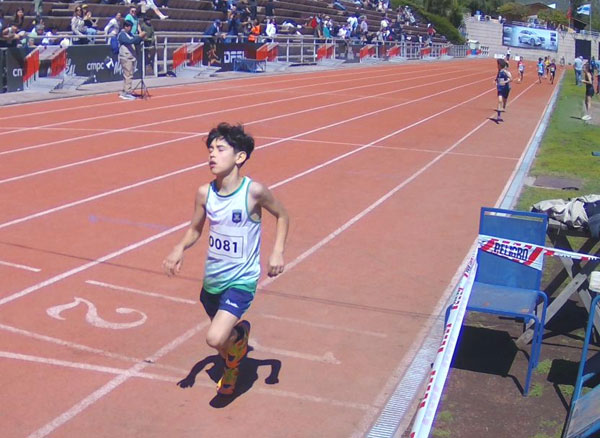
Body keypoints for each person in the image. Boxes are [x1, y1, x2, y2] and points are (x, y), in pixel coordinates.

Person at [163, 122, 289, 396]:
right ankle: (235, 351)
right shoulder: (205, 193)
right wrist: (178, 248)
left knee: (215, 337)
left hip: (241, 281)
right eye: (210, 149)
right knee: (222, 344)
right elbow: (195, 229)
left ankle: (235, 353)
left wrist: (277, 250)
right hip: (213, 281)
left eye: (220, 149)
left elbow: (282, 215)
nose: (212, 154)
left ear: (239, 157)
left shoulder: (253, 192)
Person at [117, 19, 146, 100]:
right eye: (129, 27)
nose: (130, 28)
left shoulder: (130, 34)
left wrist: (141, 38)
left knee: (129, 75)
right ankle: (127, 92)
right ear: (125, 27)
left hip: (131, 57)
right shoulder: (122, 35)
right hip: (125, 57)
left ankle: (125, 90)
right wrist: (139, 36)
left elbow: (135, 41)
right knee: (128, 75)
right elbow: (129, 41)